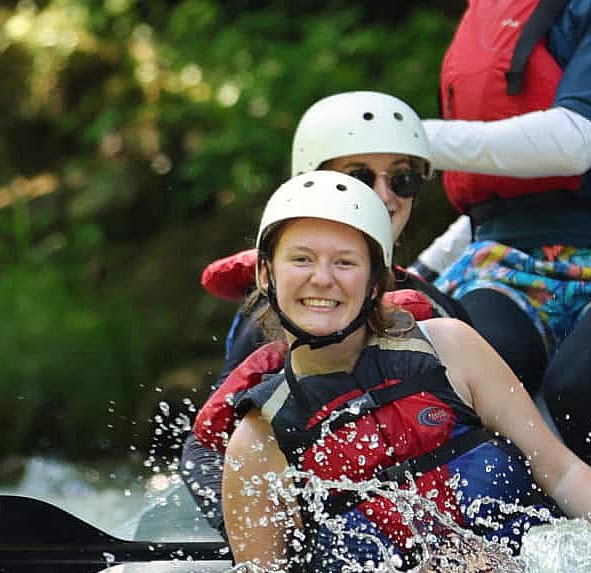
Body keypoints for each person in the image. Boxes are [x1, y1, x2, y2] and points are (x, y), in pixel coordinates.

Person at [222, 171, 591, 573]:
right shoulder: (259, 441)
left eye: (346, 262)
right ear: (266, 273)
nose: (323, 278)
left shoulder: (451, 349)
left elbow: (561, 474)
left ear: (376, 280)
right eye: (302, 259)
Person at [417, 0, 591, 508]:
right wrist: (421, 272)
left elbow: (572, 145)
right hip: (502, 261)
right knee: (474, 384)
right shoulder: (494, 13)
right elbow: (500, 203)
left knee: (580, 389)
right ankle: (500, 541)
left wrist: (408, 136)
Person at [182, 91, 465, 529]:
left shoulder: (438, 305)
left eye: (402, 180)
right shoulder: (287, 311)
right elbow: (205, 450)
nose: (385, 197)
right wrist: (260, 531)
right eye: (360, 176)